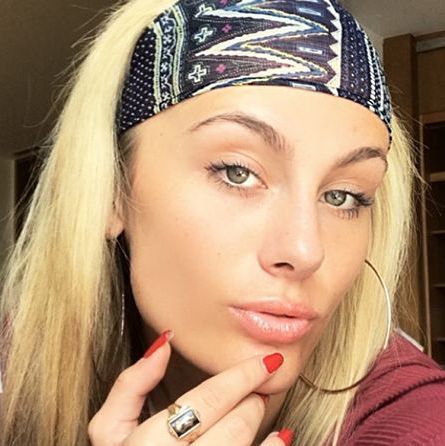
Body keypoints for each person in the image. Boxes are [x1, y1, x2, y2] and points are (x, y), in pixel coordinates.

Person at [1, 0, 444, 444]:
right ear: (111, 189)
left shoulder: (417, 420)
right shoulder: (15, 367)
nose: (305, 251)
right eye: (237, 172)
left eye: (343, 196)